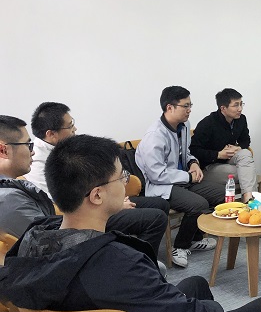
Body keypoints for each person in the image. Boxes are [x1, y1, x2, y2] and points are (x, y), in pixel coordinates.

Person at [0, 134, 261, 312]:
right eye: (122, 177)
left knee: (195, 284)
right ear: (97, 195)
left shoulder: (32, 238)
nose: (126, 183)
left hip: (97, 311)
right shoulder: (118, 264)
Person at [18, 103, 169, 257]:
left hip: (98, 197)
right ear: (51, 134)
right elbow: (63, 203)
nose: (74, 129)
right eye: (70, 126)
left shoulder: (69, 149)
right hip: (86, 212)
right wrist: (116, 204)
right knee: (156, 218)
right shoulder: (39, 162)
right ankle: (136, 260)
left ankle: (136, 254)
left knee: (160, 204)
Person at [136, 86, 219, 268]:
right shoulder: (155, 136)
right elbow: (157, 174)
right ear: (169, 107)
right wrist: (188, 177)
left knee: (220, 194)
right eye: (185, 106)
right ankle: (180, 246)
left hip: (182, 178)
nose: (189, 110)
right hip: (161, 185)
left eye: (190, 105)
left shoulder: (184, 126)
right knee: (198, 204)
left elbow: (185, 152)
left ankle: (195, 238)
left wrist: (193, 163)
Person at [190, 88, 256, 203]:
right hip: (209, 166)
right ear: (223, 108)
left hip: (229, 160)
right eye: (236, 105)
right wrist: (218, 154)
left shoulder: (241, 119)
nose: (240, 109)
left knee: (245, 153)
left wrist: (238, 147)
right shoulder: (207, 123)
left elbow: (246, 140)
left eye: (241, 104)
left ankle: (248, 198)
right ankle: (252, 200)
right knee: (245, 171)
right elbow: (193, 150)